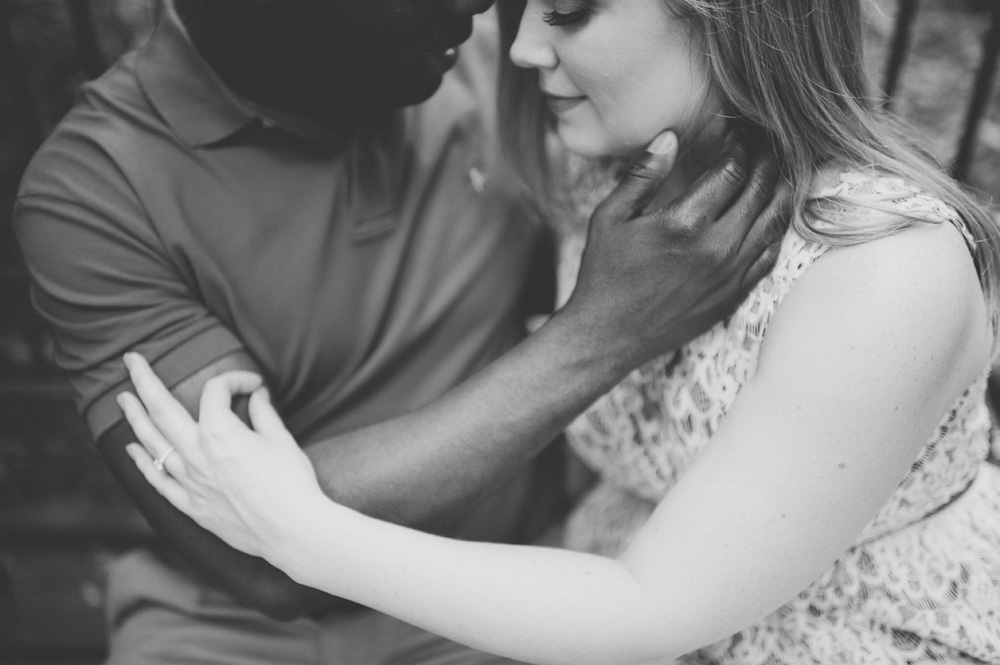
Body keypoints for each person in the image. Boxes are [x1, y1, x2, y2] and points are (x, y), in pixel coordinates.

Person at [118, 0, 1000, 663]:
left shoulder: (886, 273)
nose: (524, 45)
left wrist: (304, 530)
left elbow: (653, 602)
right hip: (593, 589)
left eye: (570, 9)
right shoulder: (615, 179)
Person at [13, 0, 786, 663]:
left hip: (493, 595)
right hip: (227, 634)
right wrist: (602, 334)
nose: (485, 6)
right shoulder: (97, 189)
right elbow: (253, 552)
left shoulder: (497, 65)